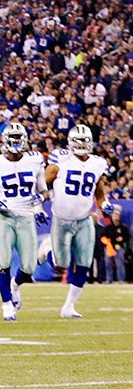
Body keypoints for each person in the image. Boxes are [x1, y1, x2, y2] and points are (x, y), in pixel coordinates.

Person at [0, 123, 47, 321]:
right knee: (4, 262)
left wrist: (40, 201)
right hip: (5, 218)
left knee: (29, 267)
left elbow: (43, 191)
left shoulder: (35, 160)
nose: (16, 142)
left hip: (26, 217)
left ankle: (15, 286)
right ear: (5, 140)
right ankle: (6, 304)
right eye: (12, 138)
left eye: (18, 137)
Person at [44, 124, 112, 317]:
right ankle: (47, 250)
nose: (82, 145)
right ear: (71, 142)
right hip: (61, 219)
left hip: (84, 219)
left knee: (84, 262)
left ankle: (69, 306)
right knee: (62, 264)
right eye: (78, 141)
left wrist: (104, 204)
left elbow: (99, 192)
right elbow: (42, 181)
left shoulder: (98, 163)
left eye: (85, 141)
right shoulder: (60, 159)